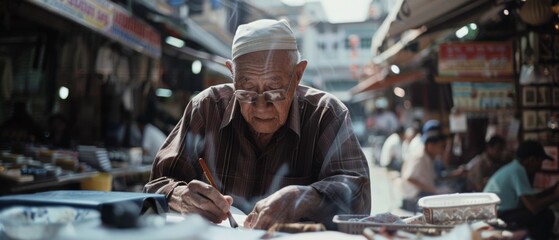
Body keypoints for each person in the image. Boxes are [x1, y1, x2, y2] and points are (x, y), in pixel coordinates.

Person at [143, 19, 370, 230]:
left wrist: (303, 198)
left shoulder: (325, 115)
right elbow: (155, 186)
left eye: (275, 89)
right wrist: (181, 197)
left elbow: (359, 197)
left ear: (298, 74)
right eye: (247, 89)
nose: (261, 106)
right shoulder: (207, 108)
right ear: (232, 73)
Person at [483, 140, 559, 240]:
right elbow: (533, 207)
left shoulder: (515, 168)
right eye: (540, 162)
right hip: (497, 217)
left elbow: (531, 199)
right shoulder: (518, 170)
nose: (540, 166)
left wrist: (552, 190)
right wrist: (555, 196)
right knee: (546, 216)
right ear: (531, 160)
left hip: (495, 214)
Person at [399, 120, 452, 212]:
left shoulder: (430, 156)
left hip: (423, 193)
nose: (442, 150)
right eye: (441, 147)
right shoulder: (420, 156)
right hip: (414, 197)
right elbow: (409, 177)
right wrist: (434, 190)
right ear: (431, 145)